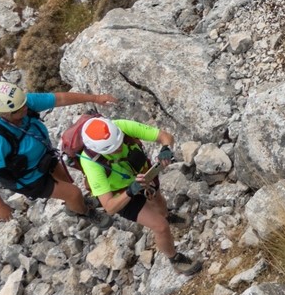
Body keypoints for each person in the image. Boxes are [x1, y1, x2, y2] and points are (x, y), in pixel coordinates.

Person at [72, 115, 203, 272]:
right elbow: (110, 207)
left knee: (157, 198)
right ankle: (174, 259)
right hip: (120, 195)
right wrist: (130, 191)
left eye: (120, 142)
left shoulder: (121, 126)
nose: (120, 148)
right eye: (115, 148)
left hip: (141, 172)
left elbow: (165, 136)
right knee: (161, 227)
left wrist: (166, 148)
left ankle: (167, 215)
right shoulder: (91, 164)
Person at [0, 81, 116, 222]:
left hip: (44, 157)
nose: (25, 108)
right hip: (27, 178)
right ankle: (85, 212)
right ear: (4, 114)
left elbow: (60, 99)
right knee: (73, 193)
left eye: (24, 103)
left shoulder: (23, 103)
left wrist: (95, 98)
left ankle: (76, 204)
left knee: (67, 183)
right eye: (19, 109)